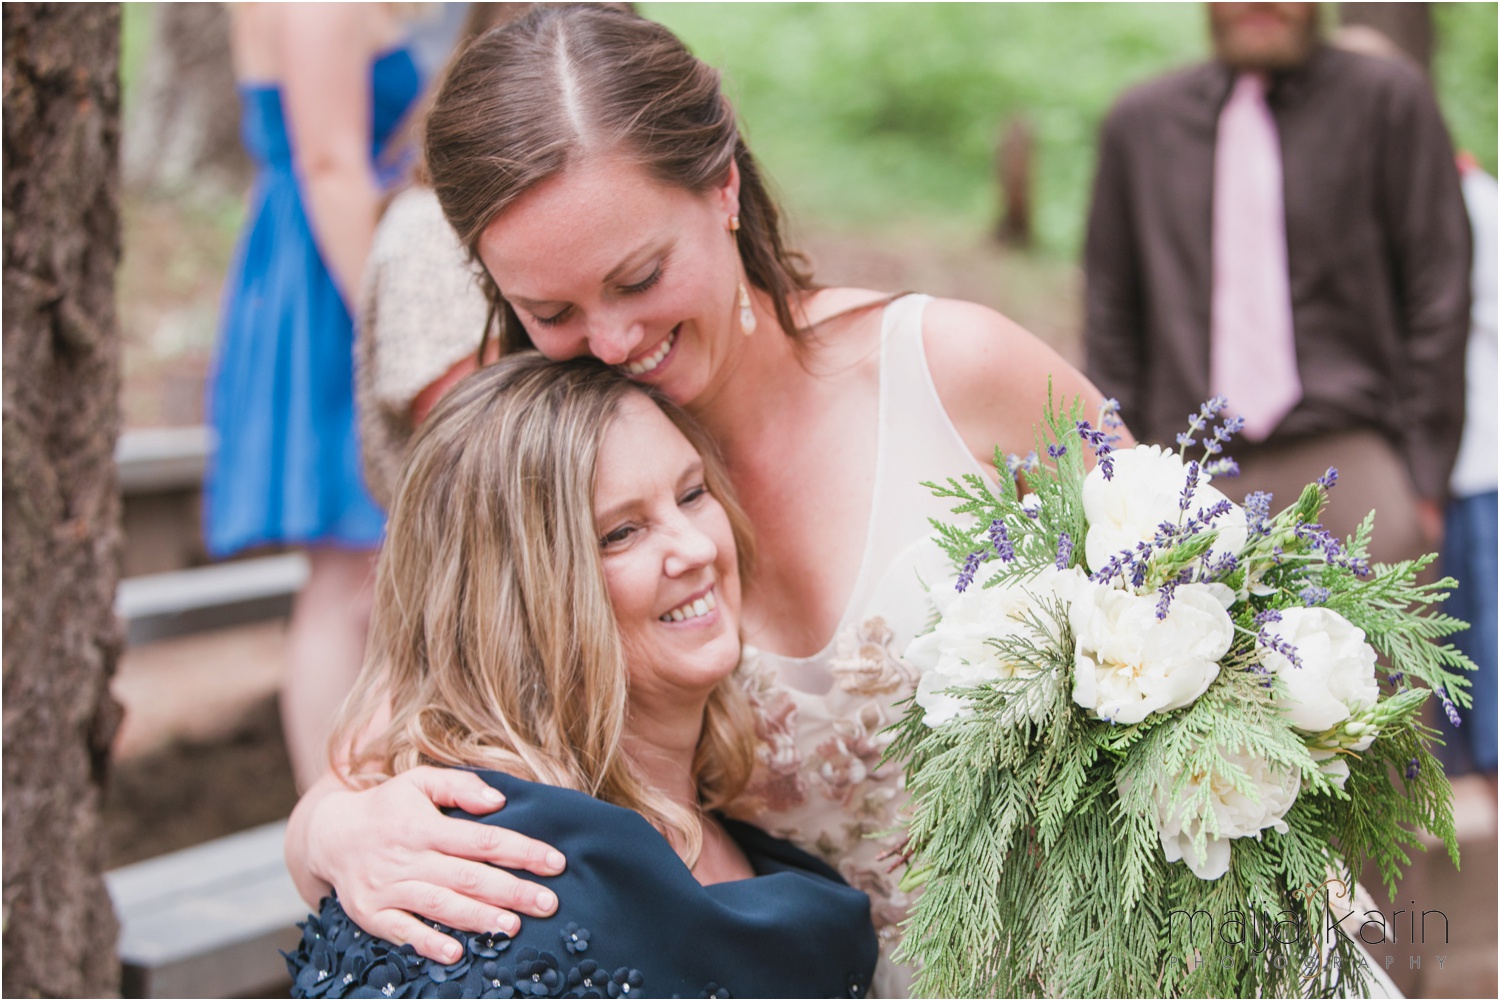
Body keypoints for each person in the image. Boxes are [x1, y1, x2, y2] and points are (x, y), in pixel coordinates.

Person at [285, 6, 1116, 992]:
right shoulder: (539, 485)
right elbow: (397, 716)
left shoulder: (959, 370)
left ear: (722, 186)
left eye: (637, 276)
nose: (612, 339)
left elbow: (1201, 585)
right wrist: (331, 827)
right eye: (548, 310)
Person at [285, 353, 879, 999]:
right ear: (515, 603)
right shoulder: (482, 889)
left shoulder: (738, 825)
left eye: (692, 492)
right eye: (622, 531)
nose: (698, 546)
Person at [1082, 2, 1471, 565]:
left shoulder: (1389, 102)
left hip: (1353, 463)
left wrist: (1424, 478)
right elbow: (1112, 314)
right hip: (1182, 468)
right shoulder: (1139, 126)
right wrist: (1121, 469)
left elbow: (1438, 292)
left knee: (1389, 648)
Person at [206, 4, 421, 788]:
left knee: (372, 568)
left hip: (345, 261)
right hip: (331, 282)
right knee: (346, 576)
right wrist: (390, 326)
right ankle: (333, 807)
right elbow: (329, 164)